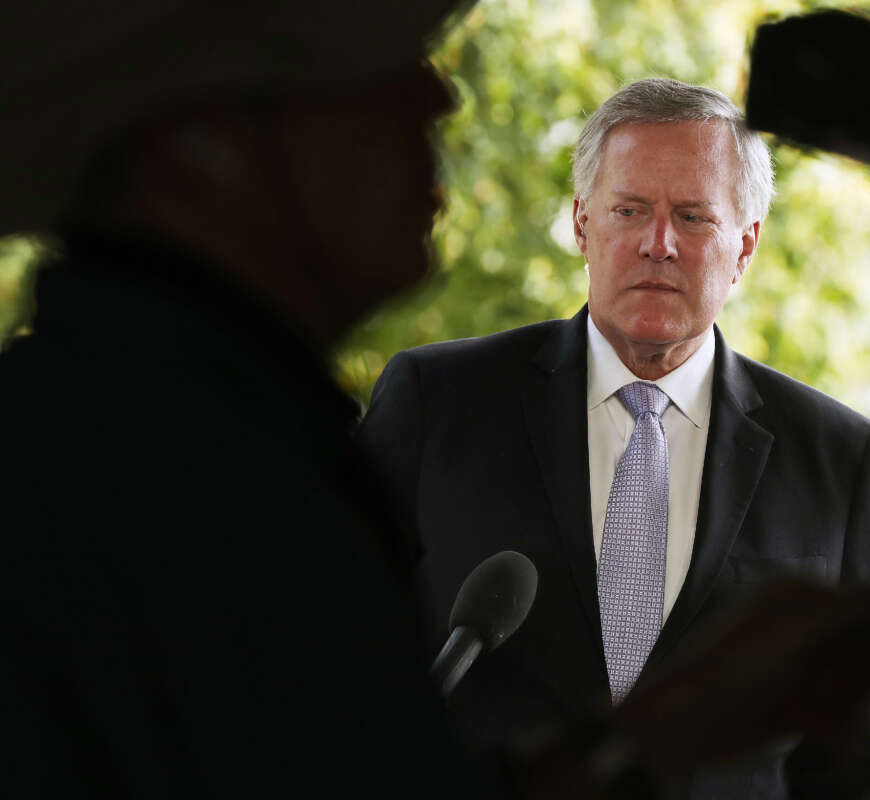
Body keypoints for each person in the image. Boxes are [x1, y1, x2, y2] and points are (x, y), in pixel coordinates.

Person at [0, 2, 504, 796]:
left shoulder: (133, 428)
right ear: (198, 149)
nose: (434, 97)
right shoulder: (179, 479)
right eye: (358, 67)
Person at [358, 77, 870, 799]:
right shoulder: (438, 403)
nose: (658, 244)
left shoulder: (841, 459)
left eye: (692, 217)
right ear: (583, 225)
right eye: (629, 211)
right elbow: (331, 657)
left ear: (744, 248)